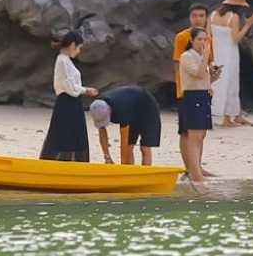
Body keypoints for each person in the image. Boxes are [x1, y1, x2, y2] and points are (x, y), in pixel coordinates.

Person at [42, 31, 98, 161]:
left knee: (69, 135)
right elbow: (71, 88)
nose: (78, 51)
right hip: (68, 103)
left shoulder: (65, 61)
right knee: (67, 135)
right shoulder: (63, 61)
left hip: (70, 102)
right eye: (78, 47)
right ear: (73, 45)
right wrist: (86, 90)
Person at [210, 0, 253, 127]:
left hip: (216, 53)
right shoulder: (233, 17)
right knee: (231, 84)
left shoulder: (213, 15)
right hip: (229, 54)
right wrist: (248, 25)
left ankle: (235, 115)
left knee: (217, 83)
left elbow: (209, 34)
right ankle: (227, 118)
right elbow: (236, 39)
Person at [176, 26, 218, 185]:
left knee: (201, 135)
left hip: (203, 94)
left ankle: (197, 170)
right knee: (193, 137)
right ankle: (195, 173)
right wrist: (206, 58)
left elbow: (203, 78)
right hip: (192, 97)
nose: (202, 42)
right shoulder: (187, 56)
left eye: (205, 39)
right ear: (192, 40)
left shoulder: (202, 58)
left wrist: (213, 76)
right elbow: (198, 74)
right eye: (199, 39)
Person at [90, 85, 163, 166]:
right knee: (129, 146)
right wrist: (107, 157)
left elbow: (124, 142)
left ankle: (145, 175)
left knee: (144, 147)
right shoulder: (97, 106)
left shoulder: (122, 109)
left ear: (109, 110)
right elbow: (102, 129)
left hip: (148, 108)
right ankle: (130, 172)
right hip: (132, 108)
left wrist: (122, 168)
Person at [172, 4, 210, 99]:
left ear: (206, 18)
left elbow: (210, 61)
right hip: (186, 86)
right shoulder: (181, 37)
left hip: (203, 86)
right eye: (194, 16)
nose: (198, 19)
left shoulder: (208, 38)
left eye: (201, 16)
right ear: (189, 18)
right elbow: (178, 63)